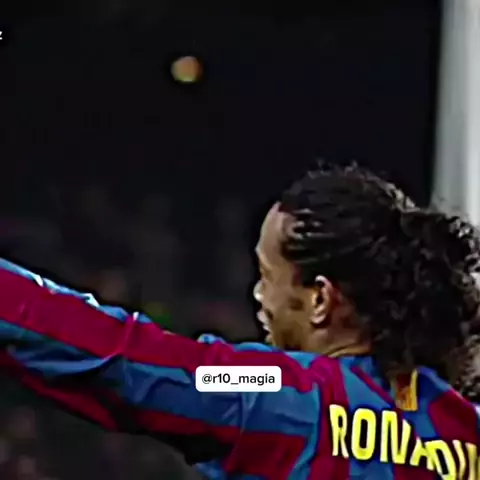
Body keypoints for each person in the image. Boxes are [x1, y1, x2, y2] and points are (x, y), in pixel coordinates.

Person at [1, 161, 480, 479]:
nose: (258, 296)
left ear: (320, 299)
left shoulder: (275, 388)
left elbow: (129, 357)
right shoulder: (466, 427)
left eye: (268, 277)